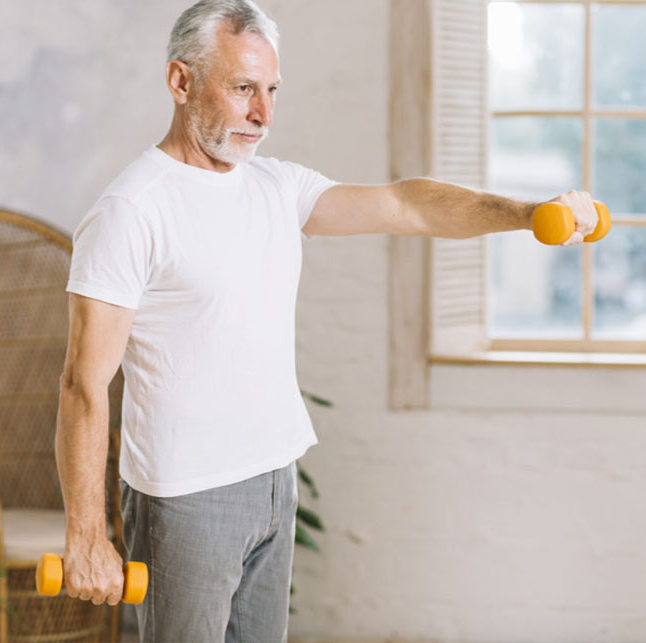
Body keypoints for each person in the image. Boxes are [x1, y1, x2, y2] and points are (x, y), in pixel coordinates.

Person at [54, 0, 599, 641]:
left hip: (273, 480)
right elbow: (83, 386)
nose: (263, 113)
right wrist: (87, 535)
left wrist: (528, 213)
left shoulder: (277, 188)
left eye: (271, 90)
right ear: (180, 82)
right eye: (241, 89)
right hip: (185, 496)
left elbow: (408, 205)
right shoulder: (132, 211)